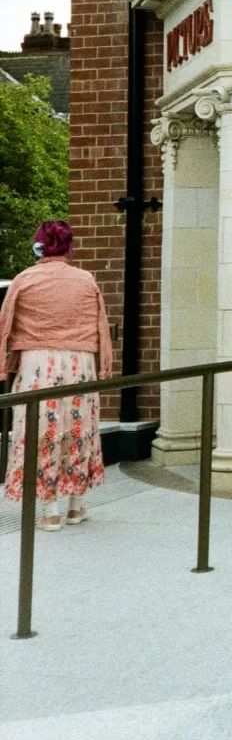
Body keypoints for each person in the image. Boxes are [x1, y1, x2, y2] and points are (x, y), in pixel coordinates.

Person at [0, 221, 111, 530]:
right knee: (78, 430)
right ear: (68, 246)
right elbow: (101, 323)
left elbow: (3, 324)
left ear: (39, 245)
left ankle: (49, 509)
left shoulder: (25, 279)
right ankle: (75, 505)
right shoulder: (85, 279)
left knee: (41, 431)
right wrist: (105, 363)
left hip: (38, 363)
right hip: (80, 363)